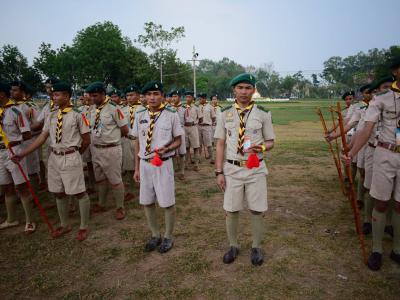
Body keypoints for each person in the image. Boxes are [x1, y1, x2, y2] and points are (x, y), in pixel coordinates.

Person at [12, 82, 91, 241]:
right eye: (53, 95)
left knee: (79, 192)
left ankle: (83, 226)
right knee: (58, 192)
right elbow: (42, 137)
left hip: (70, 155)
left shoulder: (77, 115)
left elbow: (86, 139)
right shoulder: (51, 114)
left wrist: (74, 153)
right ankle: (64, 223)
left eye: (57, 94)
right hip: (54, 157)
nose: (54, 97)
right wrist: (23, 153)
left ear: (67, 96)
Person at [344, 58, 400, 270]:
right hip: (385, 153)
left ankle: (397, 249)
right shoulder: (383, 98)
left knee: (399, 205)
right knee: (381, 202)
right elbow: (365, 129)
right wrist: (352, 152)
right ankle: (377, 249)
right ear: (396, 70)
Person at [214, 73, 275, 266]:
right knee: (231, 210)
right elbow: (220, 144)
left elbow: (271, 141)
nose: (244, 92)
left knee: (257, 209)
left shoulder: (263, 113)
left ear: (253, 90)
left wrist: (263, 147)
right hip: (232, 169)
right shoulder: (224, 113)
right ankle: (233, 246)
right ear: (234, 90)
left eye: (248, 88)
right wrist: (218, 172)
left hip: (255, 168)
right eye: (240, 88)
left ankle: (256, 247)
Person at [132, 80, 183, 253]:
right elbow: (137, 141)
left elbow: (178, 140)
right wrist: (137, 168)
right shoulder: (139, 114)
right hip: (145, 164)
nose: (152, 98)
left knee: (167, 202)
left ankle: (168, 236)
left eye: (156, 94)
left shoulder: (171, 114)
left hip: (163, 163)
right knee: (147, 202)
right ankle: (155, 234)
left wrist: (167, 148)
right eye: (148, 94)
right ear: (144, 97)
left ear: (162, 96)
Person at [86, 82, 129, 220]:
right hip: (96, 149)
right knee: (100, 179)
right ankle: (101, 203)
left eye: (95, 95)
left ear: (103, 94)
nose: (92, 98)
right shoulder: (91, 109)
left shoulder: (114, 109)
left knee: (115, 180)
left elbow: (124, 129)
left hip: (111, 149)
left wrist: (112, 140)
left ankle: (120, 207)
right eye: (90, 96)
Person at [0, 82, 36, 233]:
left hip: (14, 150)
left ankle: (29, 221)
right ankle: (11, 219)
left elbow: (26, 134)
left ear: (1, 94)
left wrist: (15, 143)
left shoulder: (15, 111)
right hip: (0, 153)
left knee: (21, 187)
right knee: (7, 187)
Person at [183, 91, 201, 171]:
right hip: (185, 128)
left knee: (196, 147)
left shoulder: (196, 107)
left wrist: (195, 124)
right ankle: (186, 164)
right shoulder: (183, 107)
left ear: (193, 98)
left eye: (189, 97)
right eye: (186, 97)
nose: (188, 98)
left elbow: (201, 118)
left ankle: (196, 164)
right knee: (186, 147)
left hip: (193, 127)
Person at [198, 93, 216, 163]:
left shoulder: (210, 106)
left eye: (202, 98)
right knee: (198, 144)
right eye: (200, 98)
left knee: (209, 143)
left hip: (207, 126)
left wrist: (210, 123)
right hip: (199, 126)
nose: (200, 100)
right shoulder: (198, 106)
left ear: (205, 99)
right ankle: (198, 158)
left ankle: (212, 158)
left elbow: (213, 117)